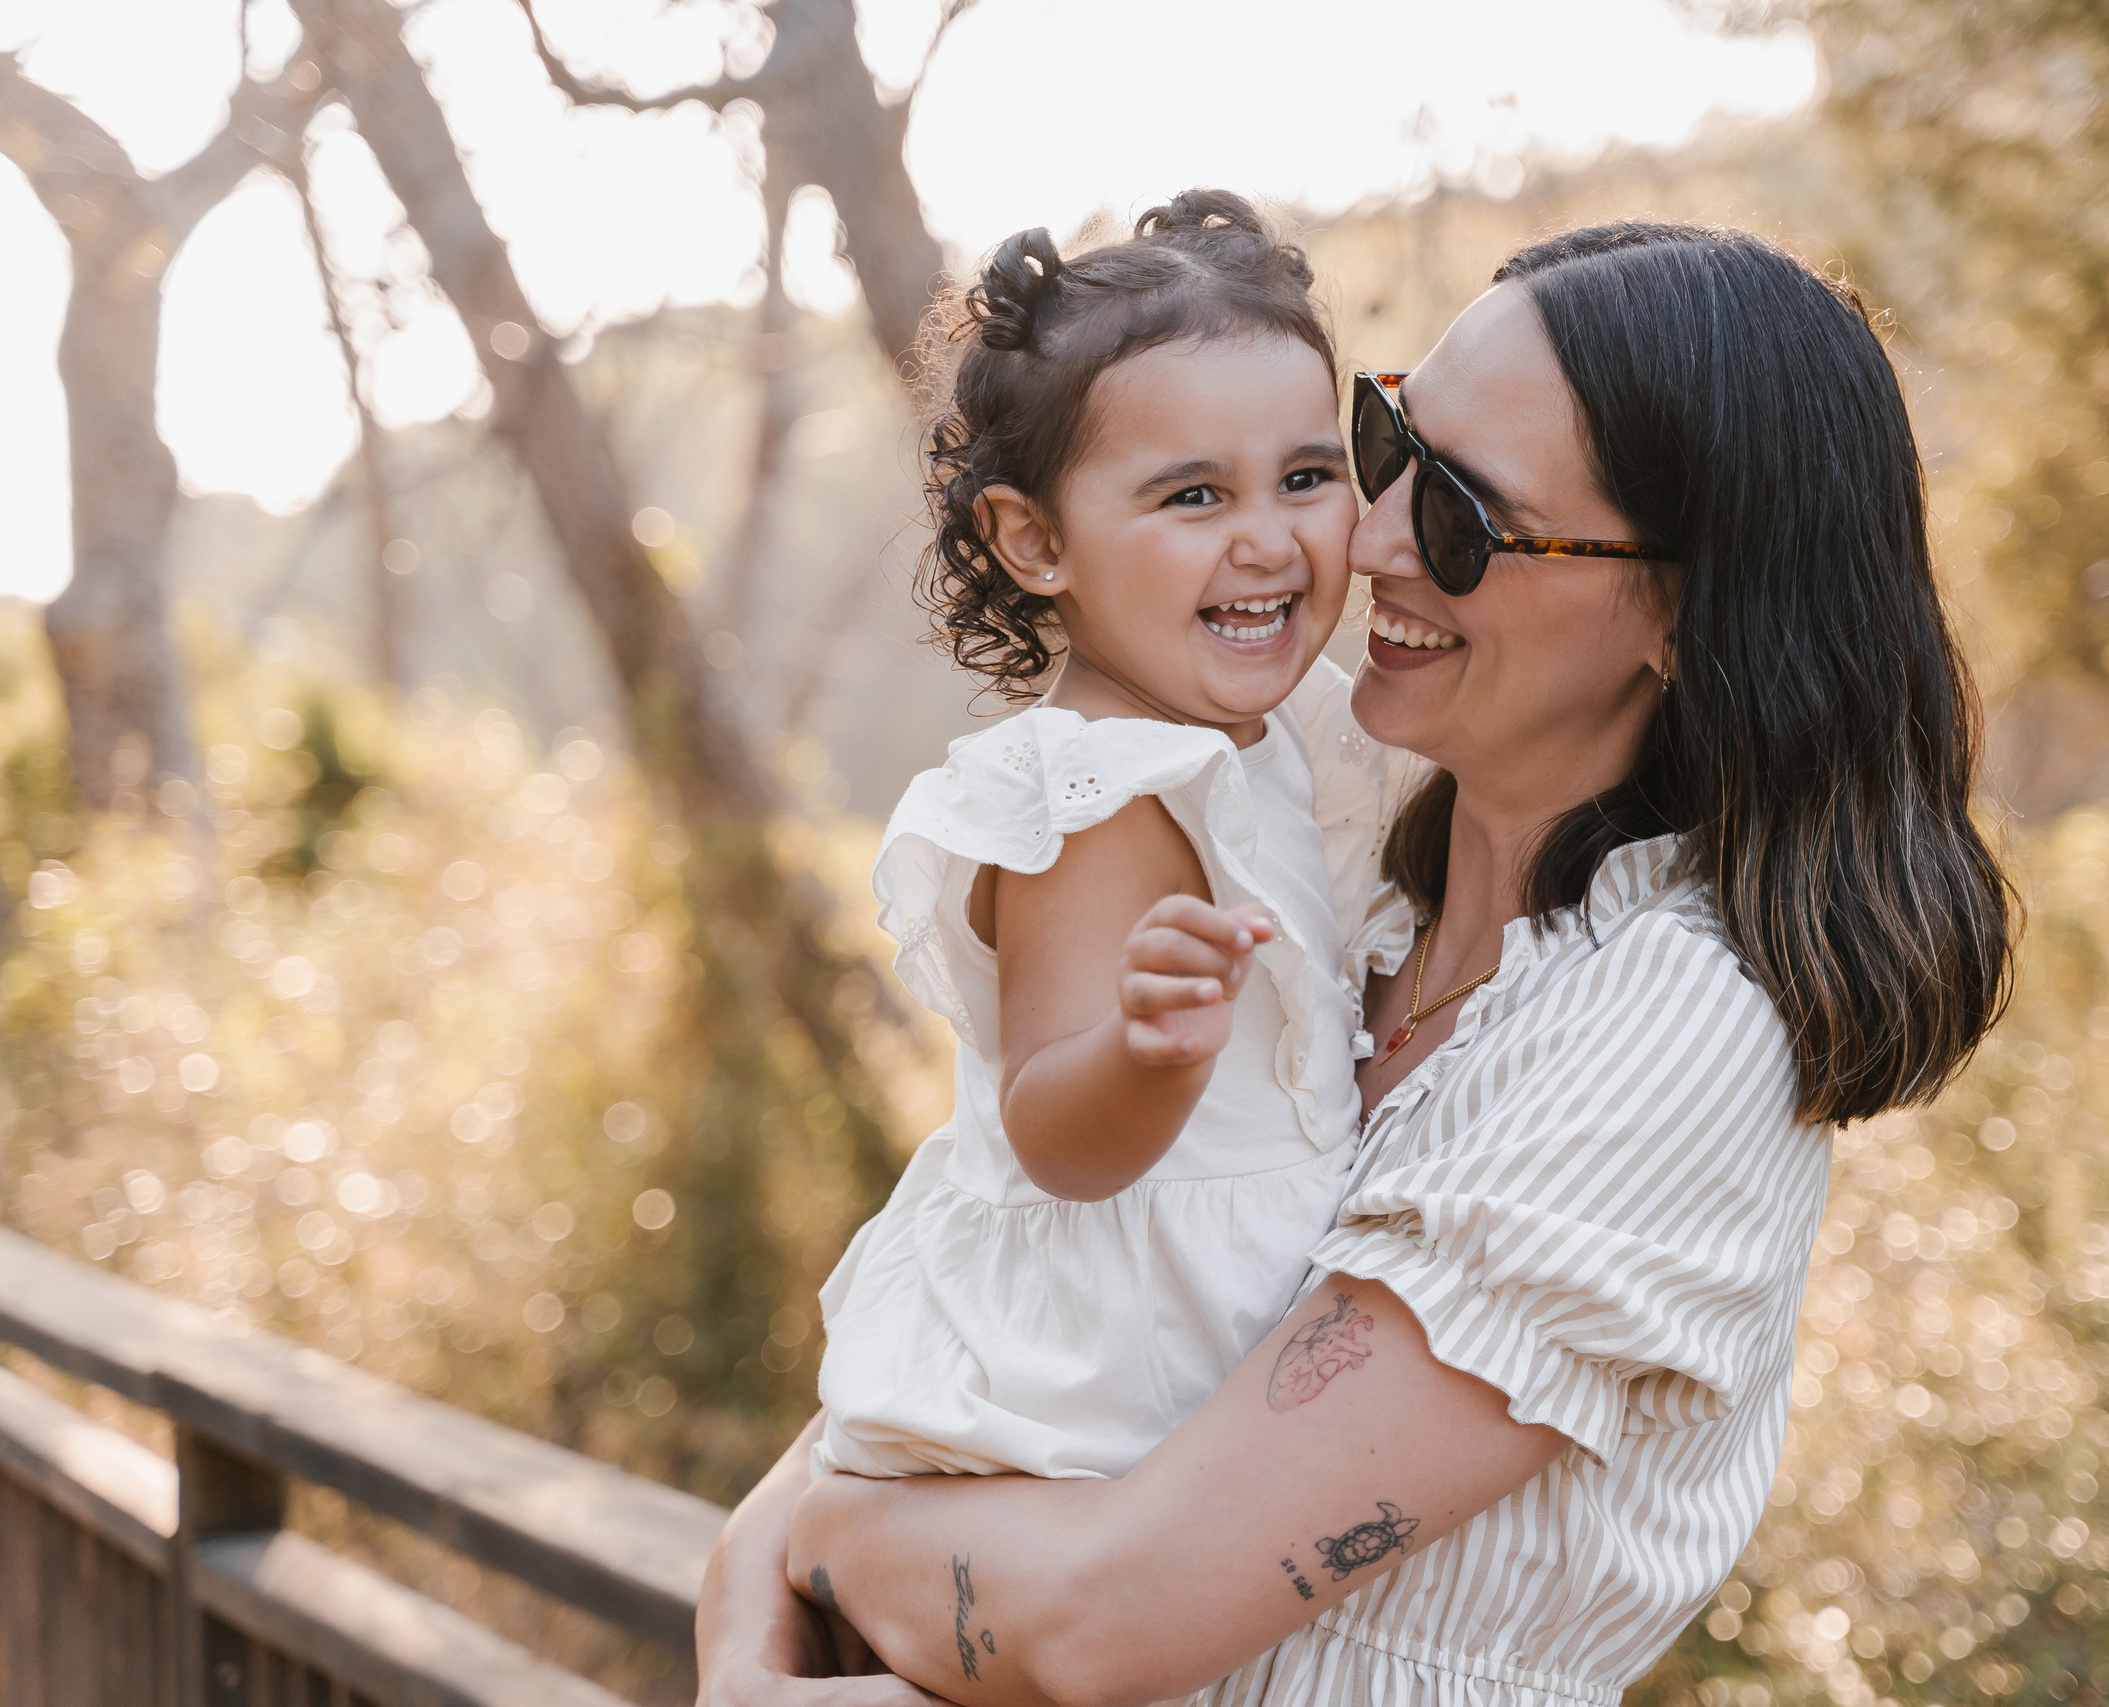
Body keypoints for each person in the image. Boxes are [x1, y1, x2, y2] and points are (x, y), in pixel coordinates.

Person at [703, 222, 2016, 1707]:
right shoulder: (1333, 852)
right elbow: (1004, 1270)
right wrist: (762, 1601)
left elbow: (1096, 1628)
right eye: (1388, 445)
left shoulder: (1673, 1030)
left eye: (1462, 517)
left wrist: (817, 1541)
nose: (1367, 539)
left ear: (1686, 612)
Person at [804, 187, 1423, 1502]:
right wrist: (1148, 1052)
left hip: (1222, 1365)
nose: (1268, 536)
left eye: (1308, 477)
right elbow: (1056, 1136)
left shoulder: (1298, 733)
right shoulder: (1090, 794)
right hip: (1089, 1396)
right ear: (1034, 540)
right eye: (1193, 494)